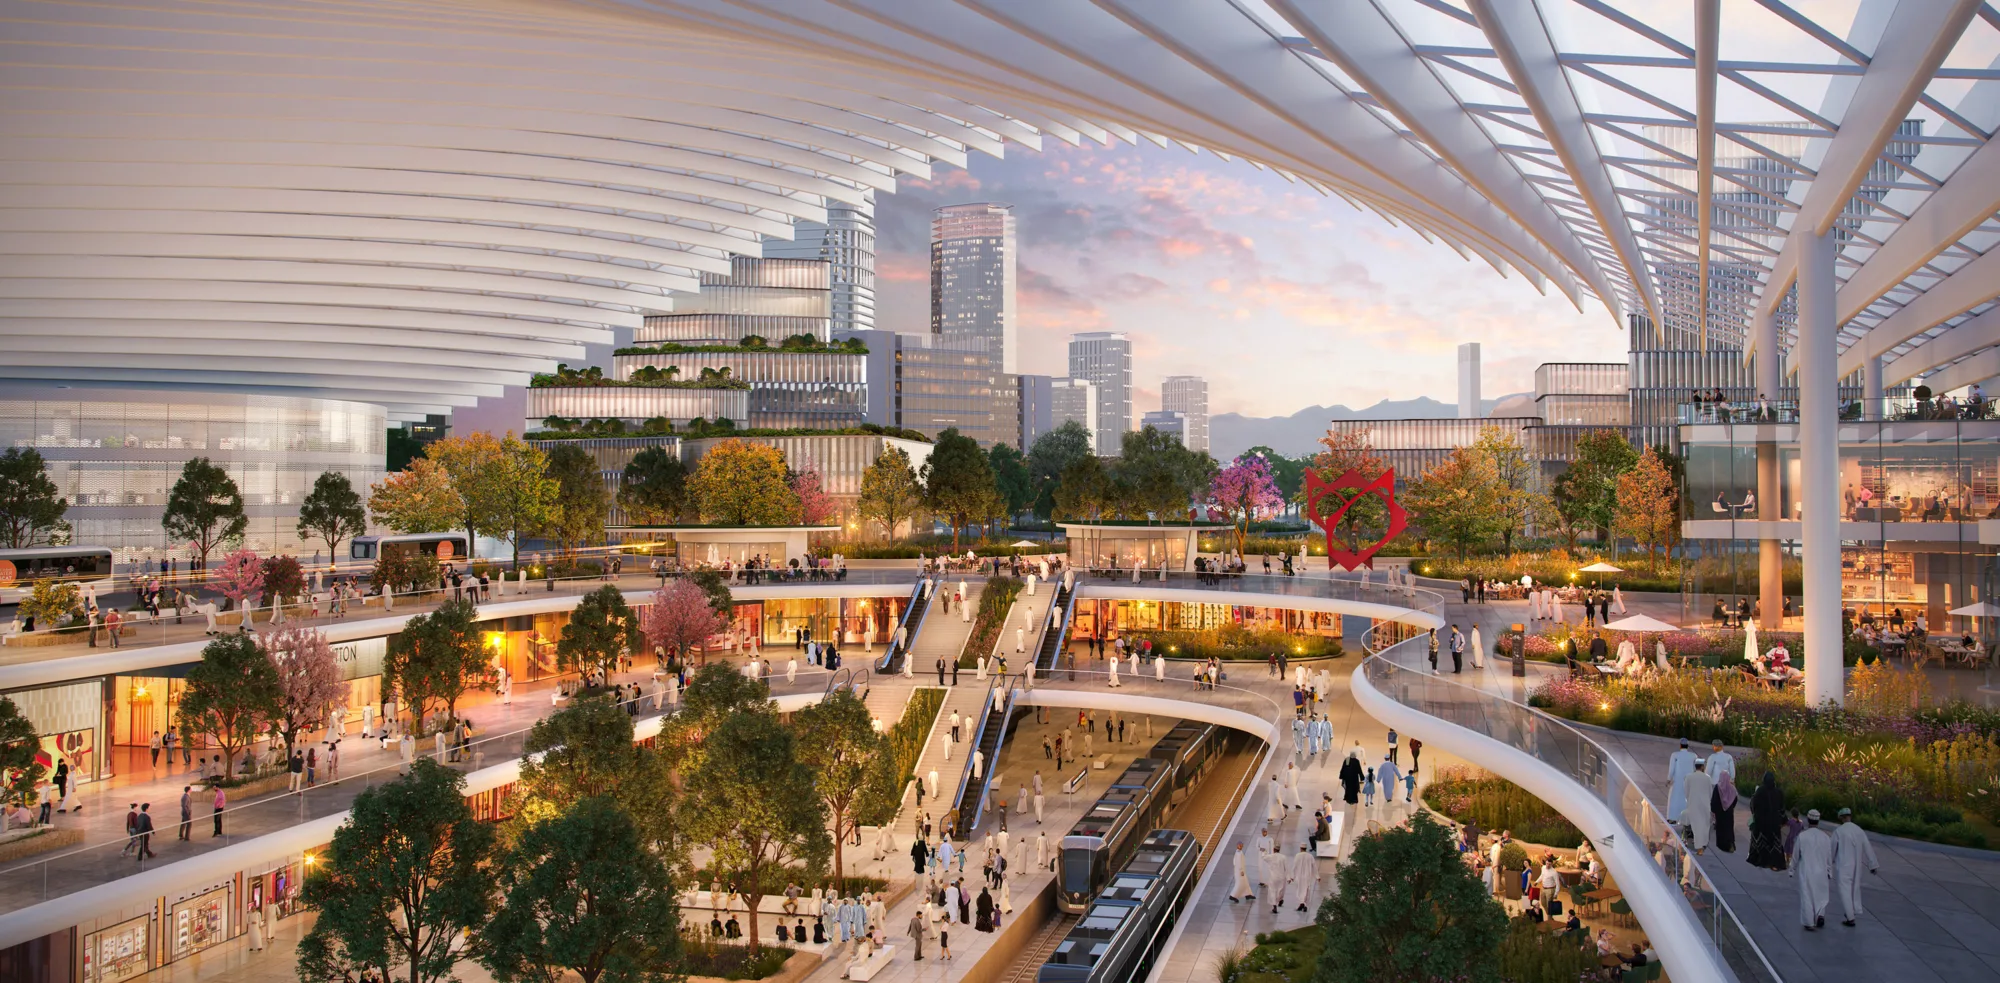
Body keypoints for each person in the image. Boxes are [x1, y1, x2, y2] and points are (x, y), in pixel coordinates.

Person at [1831, 807, 1879, 926]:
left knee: (1845, 890)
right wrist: (1873, 864)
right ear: (1850, 816)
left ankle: (1850, 917)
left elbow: (1832, 849)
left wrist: (1829, 862)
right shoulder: (1859, 830)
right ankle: (1853, 911)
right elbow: (1868, 847)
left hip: (1843, 865)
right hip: (1857, 866)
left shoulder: (1839, 831)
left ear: (1841, 818)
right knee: (1854, 889)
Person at [1792, 809, 1834, 930]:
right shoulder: (1826, 838)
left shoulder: (1803, 836)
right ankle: (1820, 914)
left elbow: (1796, 855)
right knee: (1821, 895)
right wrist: (1829, 871)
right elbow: (1828, 857)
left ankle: (1809, 922)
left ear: (1808, 820)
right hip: (1821, 871)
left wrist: (1791, 869)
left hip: (1807, 871)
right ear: (1818, 821)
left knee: (1807, 896)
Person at [1747, 772, 1787, 870]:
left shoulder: (1760, 791)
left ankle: (1760, 860)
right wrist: (1782, 820)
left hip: (1761, 823)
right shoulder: (1779, 792)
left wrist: (1755, 815)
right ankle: (1774, 863)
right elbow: (1782, 808)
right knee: (1774, 843)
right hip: (1774, 823)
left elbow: (1753, 805)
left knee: (1760, 841)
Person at [1681, 758, 1714, 853]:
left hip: (1693, 805)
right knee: (1703, 826)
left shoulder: (1689, 777)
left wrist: (1690, 799)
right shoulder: (1707, 778)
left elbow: (1686, 792)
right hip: (1704, 806)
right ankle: (1701, 846)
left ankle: (1694, 842)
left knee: (1693, 824)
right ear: (1703, 766)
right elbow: (1710, 793)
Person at [1665, 738, 1697, 820]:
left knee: (1675, 799)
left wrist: (1668, 779)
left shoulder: (1675, 755)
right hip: (1689, 782)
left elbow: (1671, 769)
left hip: (1677, 782)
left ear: (1680, 745)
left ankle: (1673, 818)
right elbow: (1695, 769)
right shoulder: (1693, 756)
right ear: (1687, 746)